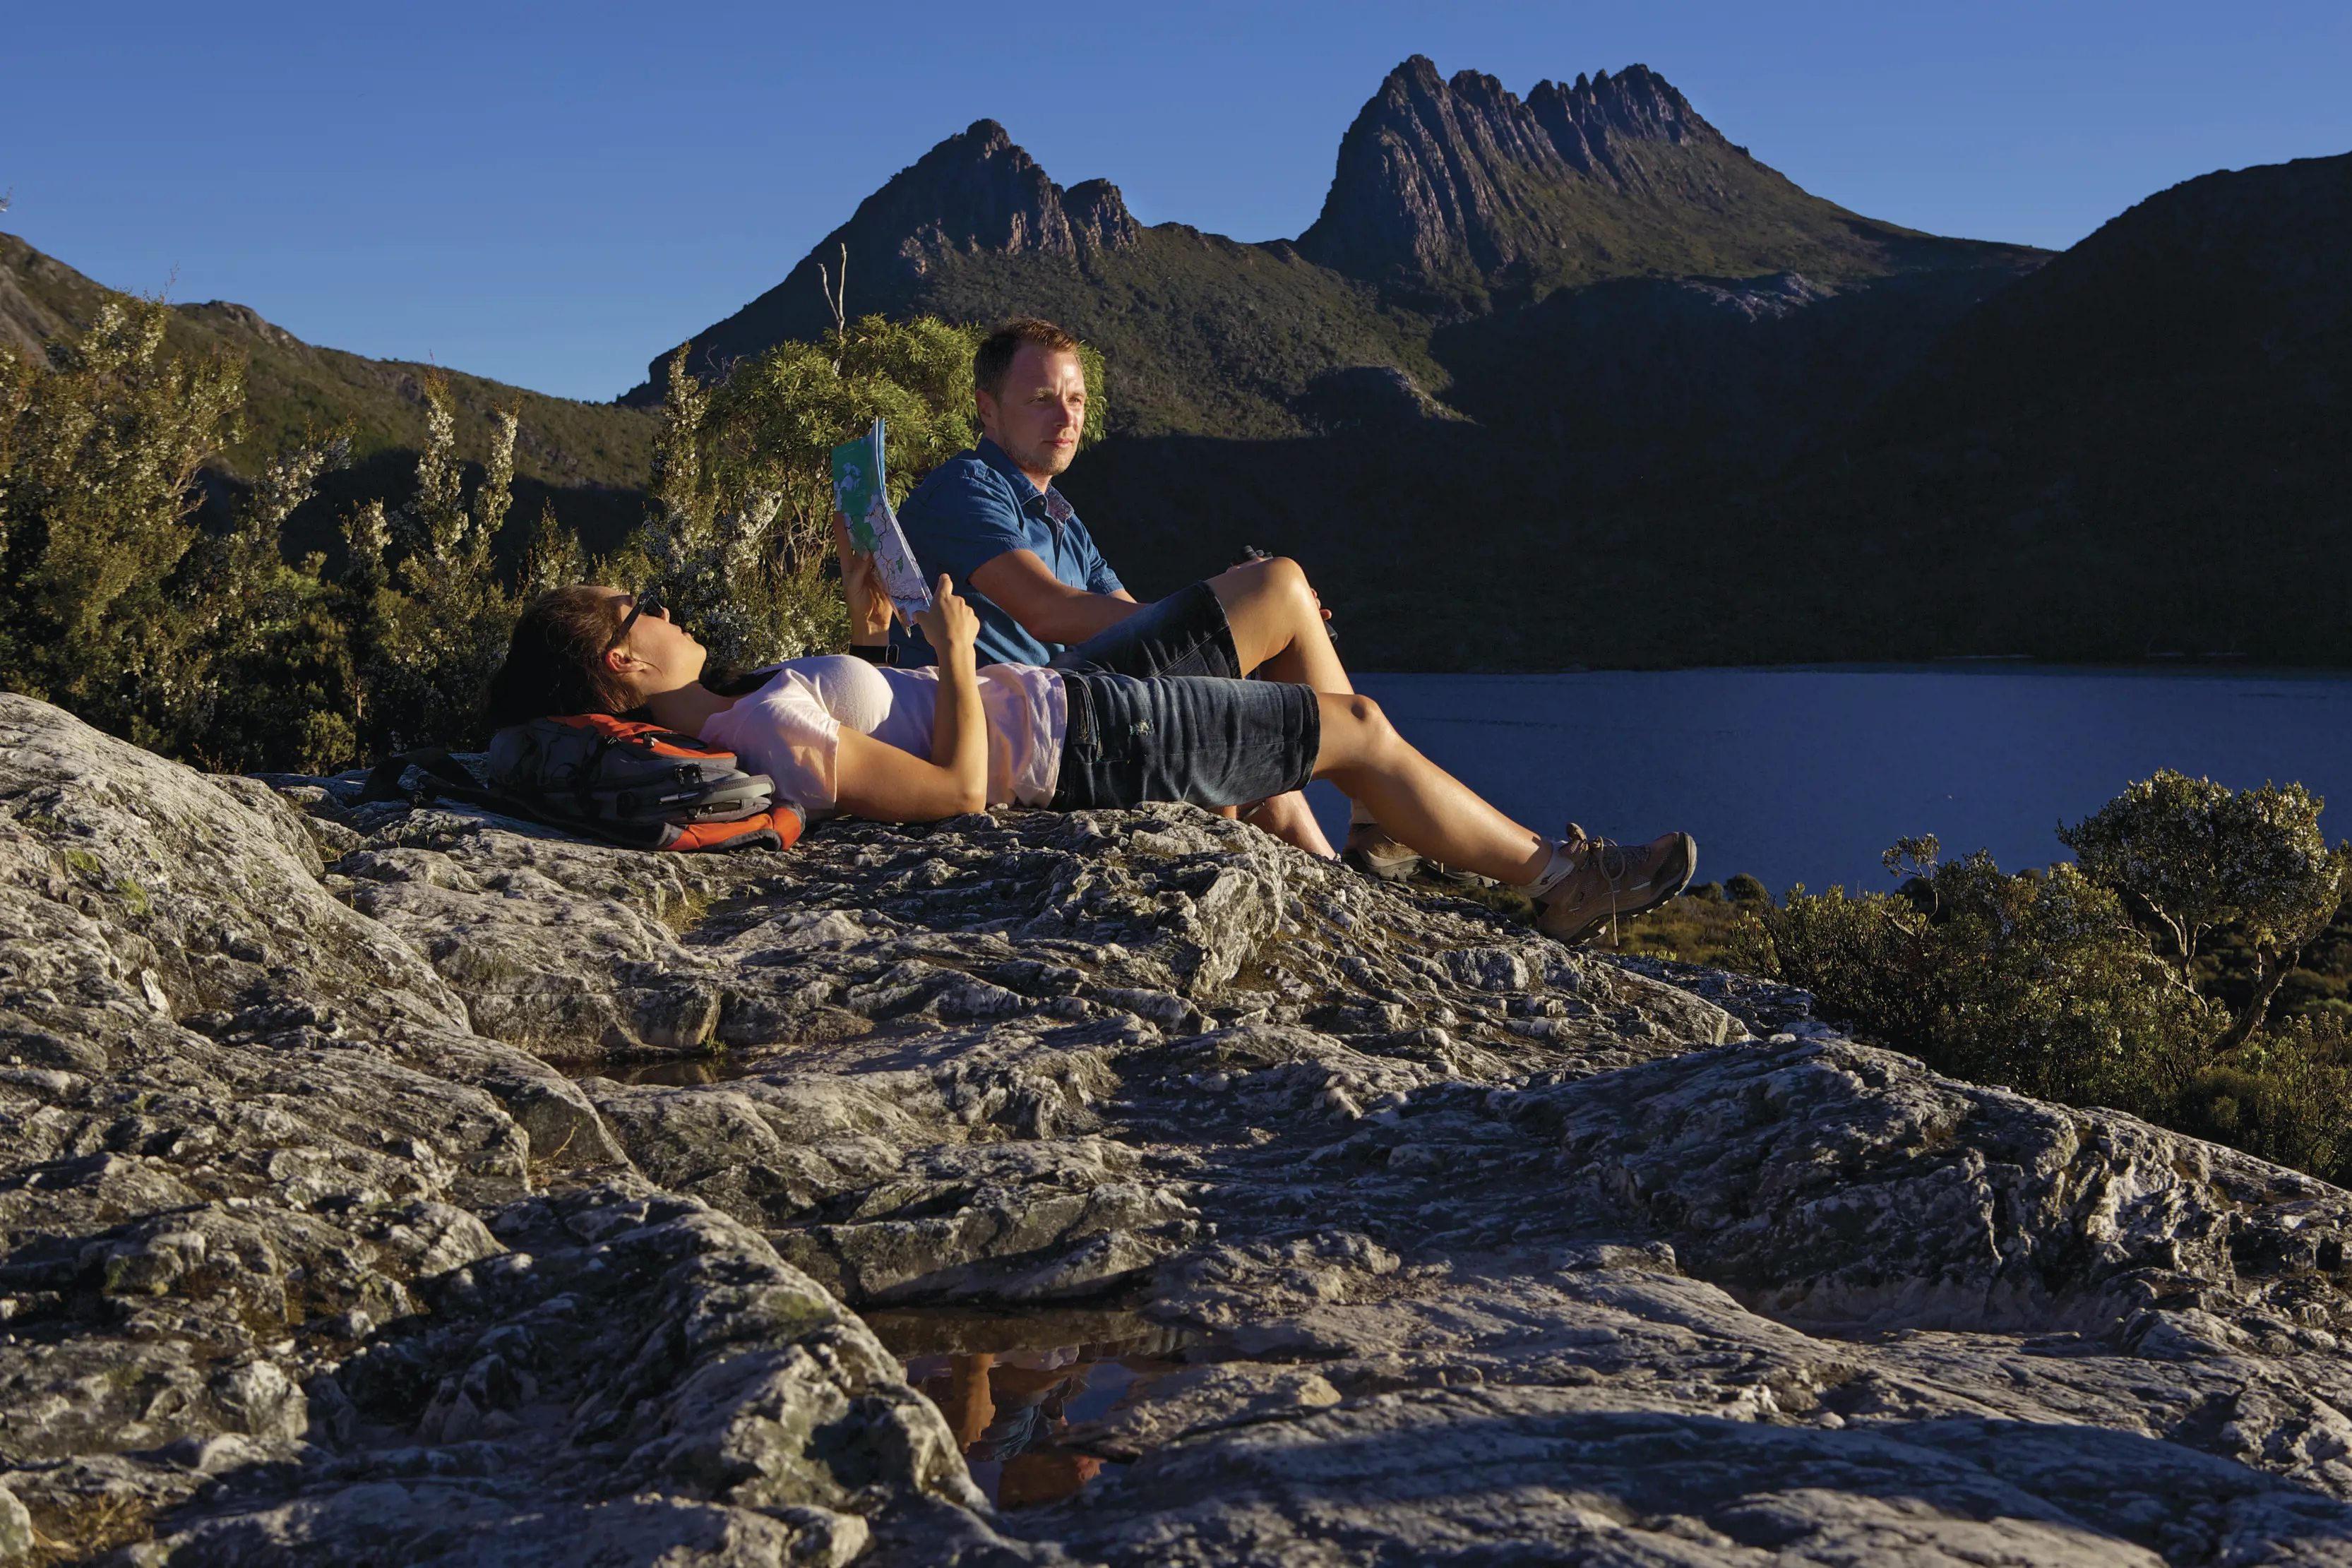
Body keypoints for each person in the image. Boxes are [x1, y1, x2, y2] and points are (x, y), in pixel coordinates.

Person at [482, 580, 1699, 945]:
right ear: (622, 669)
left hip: (1069, 703)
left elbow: (874, 724)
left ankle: (1334, 847)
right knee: (1361, 725)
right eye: (634, 607)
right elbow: (955, 792)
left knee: (1272, 593)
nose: (658, 603)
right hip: (1082, 748)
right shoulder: (752, 733)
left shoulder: (745, 700)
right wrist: (956, 654)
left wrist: (874, 630)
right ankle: (1553, 877)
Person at [871, 316, 1415, 879]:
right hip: (1013, 734)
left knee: (1254, 742)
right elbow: (1046, 607)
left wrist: (1227, 615)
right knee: (1267, 610)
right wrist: (1225, 614)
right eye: (1041, 399)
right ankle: (1373, 818)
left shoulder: (1062, 516)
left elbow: (1139, 628)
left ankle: (1338, 871)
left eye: (1076, 399)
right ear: (987, 409)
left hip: (1070, 716)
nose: (1067, 417)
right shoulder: (965, 488)